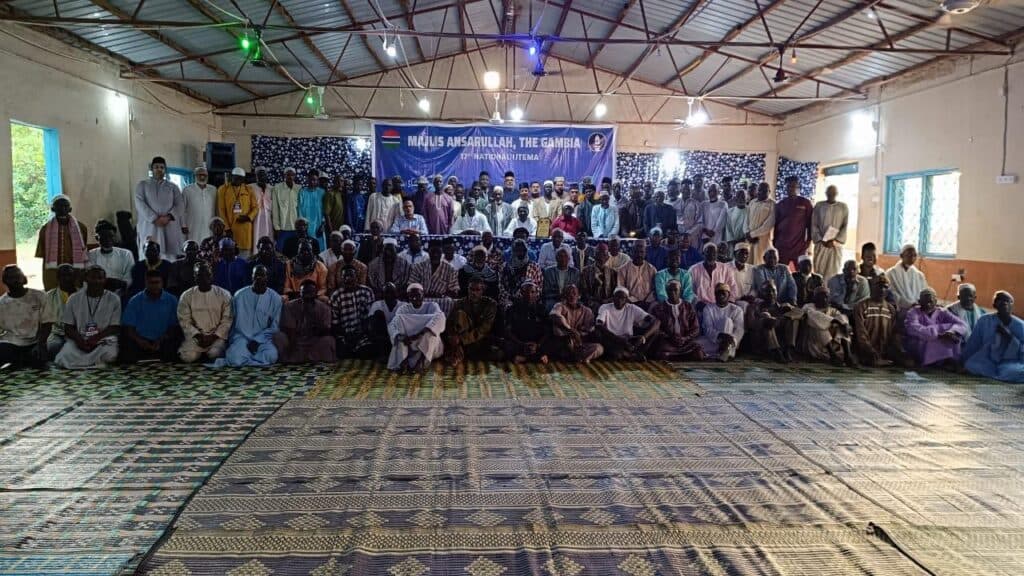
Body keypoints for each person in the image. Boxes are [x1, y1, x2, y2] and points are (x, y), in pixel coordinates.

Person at [54, 265, 120, 369]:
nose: (96, 281)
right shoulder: (74, 298)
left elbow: (114, 327)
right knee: (63, 357)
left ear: (105, 280)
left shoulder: (114, 299)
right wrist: (80, 341)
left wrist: (96, 339)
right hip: (81, 339)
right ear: (86, 279)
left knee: (110, 355)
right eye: (93, 277)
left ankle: (86, 364)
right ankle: (94, 365)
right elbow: (68, 327)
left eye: (100, 278)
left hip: (103, 339)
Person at [219, 265, 282, 367]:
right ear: (252, 277)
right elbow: (232, 322)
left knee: (272, 355)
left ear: (267, 277)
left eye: (262, 275)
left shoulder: (275, 298)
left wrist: (258, 340)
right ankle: (253, 359)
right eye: (256, 275)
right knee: (234, 357)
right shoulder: (239, 295)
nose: (259, 277)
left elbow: (275, 326)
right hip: (242, 337)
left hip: (263, 340)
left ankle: (246, 359)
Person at [120, 270, 181, 364]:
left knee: (174, 348)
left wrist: (161, 340)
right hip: (140, 340)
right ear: (146, 283)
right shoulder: (135, 300)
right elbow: (129, 327)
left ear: (162, 283)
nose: (154, 286)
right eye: (151, 283)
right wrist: (140, 340)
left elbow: (173, 326)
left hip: (163, 340)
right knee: (126, 352)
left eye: (157, 282)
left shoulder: (172, 300)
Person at [177, 261, 232, 363]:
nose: (204, 278)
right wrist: (198, 336)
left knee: (215, 353)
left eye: (207, 275)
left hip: (216, 337)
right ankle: (200, 354)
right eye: (200, 275)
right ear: (194, 277)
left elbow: (227, 320)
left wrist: (214, 336)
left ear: (212, 276)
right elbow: (184, 320)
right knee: (187, 356)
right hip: (196, 337)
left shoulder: (224, 294)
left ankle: (207, 354)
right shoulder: (186, 296)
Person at [963, 291, 1024, 383]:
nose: (1004, 303)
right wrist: (964, 359)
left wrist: (1009, 337)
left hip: (1011, 361)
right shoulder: (984, 320)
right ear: (994, 304)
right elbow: (974, 342)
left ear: (1012, 306)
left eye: (1008, 301)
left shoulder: (1020, 325)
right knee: (971, 365)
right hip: (987, 359)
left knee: (1013, 371)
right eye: (1000, 300)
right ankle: (997, 374)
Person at [0, 265, 54, 369]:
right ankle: (19, 361)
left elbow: (47, 323)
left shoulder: (40, 296)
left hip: (35, 343)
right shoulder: (2, 303)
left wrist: (41, 343)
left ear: (24, 279)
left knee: (39, 359)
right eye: (11, 277)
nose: (15, 280)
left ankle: (19, 362)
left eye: (17, 276)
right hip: (10, 343)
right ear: (5, 281)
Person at [387, 283, 446, 373]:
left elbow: (440, 318)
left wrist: (420, 333)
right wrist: (399, 336)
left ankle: (421, 362)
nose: (414, 298)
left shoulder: (432, 306)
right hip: (409, 343)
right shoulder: (403, 309)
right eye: (411, 296)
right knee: (398, 322)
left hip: (429, 345)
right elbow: (393, 324)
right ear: (408, 297)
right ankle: (403, 361)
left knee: (430, 333)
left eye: (418, 295)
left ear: (423, 295)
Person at [273, 279, 335, 364]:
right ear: (300, 293)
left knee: (329, 340)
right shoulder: (289, 307)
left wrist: (313, 317)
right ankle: (295, 358)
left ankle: (303, 358)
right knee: (278, 336)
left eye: (311, 293)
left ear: (316, 293)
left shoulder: (324, 308)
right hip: (295, 342)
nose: (308, 296)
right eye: (305, 293)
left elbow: (325, 330)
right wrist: (294, 345)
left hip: (314, 342)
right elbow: (289, 330)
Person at [904, 288, 968, 369]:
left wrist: (951, 332)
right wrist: (939, 334)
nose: (928, 305)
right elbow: (913, 328)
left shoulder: (942, 312)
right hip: (919, 345)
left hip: (939, 338)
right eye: (925, 302)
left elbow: (962, 324)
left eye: (930, 302)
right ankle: (937, 362)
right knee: (935, 333)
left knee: (955, 333)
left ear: (936, 301)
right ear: (919, 302)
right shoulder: (913, 312)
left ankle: (948, 360)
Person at [135, 156, 185, 259]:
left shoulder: (173, 187)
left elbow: (180, 205)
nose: (159, 170)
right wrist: (154, 218)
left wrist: (169, 217)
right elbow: (140, 204)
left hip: (169, 226)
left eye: (162, 167)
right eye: (156, 167)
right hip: (150, 226)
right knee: (149, 254)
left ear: (165, 170)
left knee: (169, 258)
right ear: (151, 169)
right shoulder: (142, 185)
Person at [36, 195, 89, 290]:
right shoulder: (45, 229)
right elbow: (42, 252)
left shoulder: (81, 228)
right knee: (53, 293)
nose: (62, 209)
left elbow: (83, 250)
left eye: (65, 206)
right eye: (59, 206)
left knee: (75, 291)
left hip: (75, 268)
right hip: (53, 270)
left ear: (70, 209)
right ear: (53, 209)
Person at [596, 286, 660, 361]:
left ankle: (637, 353)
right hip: (612, 339)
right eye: (617, 297)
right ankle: (631, 355)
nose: (619, 300)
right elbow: (599, 325)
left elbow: (656, 321)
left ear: (627, 300)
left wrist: (644, 337)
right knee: (616, 353)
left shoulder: (631, 308)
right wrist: (619, 340)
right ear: (613, 298)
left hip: (628, 339)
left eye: (623, 298)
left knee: (655, 330)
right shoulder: (605, 307)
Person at [745, 280, 800, 363]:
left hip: (780, 340)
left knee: (792, 318)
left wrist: (785, 316)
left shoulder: (782, 306)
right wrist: (764, 321)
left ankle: (788, 349)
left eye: (773, 290)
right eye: (767, 291)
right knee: (766, 318)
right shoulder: (753, 307)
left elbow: (801, 313)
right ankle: (775, 351)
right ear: (761, 293)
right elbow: (751, 324)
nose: (771, 293)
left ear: (777, 292)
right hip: (762, 340)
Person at [649, 279, 704, 361]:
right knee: (661, 352)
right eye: (670, 290)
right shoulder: (659, 308)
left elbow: (696, 328)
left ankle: (674, 357)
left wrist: (685, 338)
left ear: (680, 291)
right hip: (668, 342)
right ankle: (681, 357)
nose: (673, 292)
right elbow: (656, 329)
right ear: (666, 291)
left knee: (699, 354)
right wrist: (670, 338)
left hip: (685, 341)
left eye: (675, 290)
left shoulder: (688, 307)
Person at [854, 274, 901, 368]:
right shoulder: (861, 306)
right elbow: (861, 333)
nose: (882, 290)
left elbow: (894, 333)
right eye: (879, 286)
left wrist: (898, 348)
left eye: (885, 287)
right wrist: (870, 349)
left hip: (885, 351)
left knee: (909, 362)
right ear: (872, 287)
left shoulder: (890, 309)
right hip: (867, 350)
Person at [800, 286, 855, 366]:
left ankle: (848, 355)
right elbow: (813, 315)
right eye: (821, 296)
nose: (824, 299)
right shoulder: (808, 306)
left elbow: (841, 317)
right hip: (814, 344)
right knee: (820, 325)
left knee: (842, 320)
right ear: (815, 298)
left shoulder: (832, 310)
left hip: (833, 344)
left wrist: (844, 324)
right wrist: (835, 321)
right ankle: (832, 355)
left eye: (826, 297)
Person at [548, 285, 603, 364]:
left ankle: (577, 357)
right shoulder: (559, 306)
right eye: (568, 293)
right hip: (565, 341)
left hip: (580, 343)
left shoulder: (586, 311)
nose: (571, 296)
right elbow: (554, 315)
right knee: (560, 333)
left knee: (599, 348)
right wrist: (571, 330)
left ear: (579, 296)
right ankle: (576, 357)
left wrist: (580, 334)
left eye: (574, 293)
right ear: (565, 296)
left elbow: (590, 328)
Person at [330, 266, 376, 359]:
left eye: (351, 275)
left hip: (362, 333)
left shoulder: (367, 292)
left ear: (357, 277)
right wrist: (346, 336)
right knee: (342, 353)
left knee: (367, 351)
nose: (348, 279)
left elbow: (370, 318)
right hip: (344, 335)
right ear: (341, 279)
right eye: (345, 276)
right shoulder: (336, 296)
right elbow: (335, 323)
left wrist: (360, 333)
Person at [696, 283, 745, 362]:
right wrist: (720, 335)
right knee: (695, 344)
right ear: (715, 295)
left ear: (729, 295)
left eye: (723, 293)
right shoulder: (708, 308)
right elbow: (708, 329)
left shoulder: (737, 309)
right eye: (718, 293)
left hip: (730, 342)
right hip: (714, 339)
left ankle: (723, 351)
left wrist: (731, 339)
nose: (721, 295)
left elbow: (739, 330)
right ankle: (722, 353)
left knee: (727, 321)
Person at [409, 239, 460, 313]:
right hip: (421, 299)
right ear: (428, 251)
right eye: (433, 252)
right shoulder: (418, 267)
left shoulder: (450, 269)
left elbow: (454, 292)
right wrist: (422, 293)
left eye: (438, 252)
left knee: (450, 302)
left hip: (441, 301)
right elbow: (411, 287)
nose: (435, 255)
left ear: (442, 252)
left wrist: (441, 294)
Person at [505, 282, 550, 364]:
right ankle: (536, 358)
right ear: (521, 293)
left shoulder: (542, 309)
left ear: (537, 293)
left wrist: (538, 344)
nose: (529, 295)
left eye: (532, 292)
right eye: (526, 292)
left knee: (554, 343)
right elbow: (508, 331)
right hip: (519, 343)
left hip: (537, 343)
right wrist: (522, 344)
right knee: (506, 346)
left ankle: (524, 358)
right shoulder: (512, 309)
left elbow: (547, 331)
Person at [773, 176, 813, 267]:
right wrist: (775, 243)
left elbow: (810, 225)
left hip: (798, 245)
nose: (791, 189)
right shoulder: (780, 204)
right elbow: (776, 225)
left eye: (793, 186)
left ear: (798, 188)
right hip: (782, 245)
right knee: (781, 270)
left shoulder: (805, 203)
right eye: (788, 186)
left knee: (800, 271)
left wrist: (808, 242)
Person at [218, 167, 258, 256]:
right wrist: (227, 228)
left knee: (245, 256)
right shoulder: (223, 189)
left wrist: (248, 217)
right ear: (232, 177)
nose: (238, 180)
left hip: (245, 228)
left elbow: (255, 207)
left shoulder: (248, 189)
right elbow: (221, 210)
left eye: (240, 178)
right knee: (229, 253)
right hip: (230, 229)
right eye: (236, 177)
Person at [811, 184, 849, 278]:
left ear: (837, 193)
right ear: (826, 193)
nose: (831, 195)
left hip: (835, 246)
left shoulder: (843, 207)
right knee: (819, 272)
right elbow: (814, 224)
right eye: (829, 193)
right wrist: (820, 239)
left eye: (833, 193)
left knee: (833, 273)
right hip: (821, 244)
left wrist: (835, 241)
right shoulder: (819, 206)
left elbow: (845, 226)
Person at [89, 220, 134, 294]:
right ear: (97, 238)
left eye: (111, 236)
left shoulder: (126, 254)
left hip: (122, 293)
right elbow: (91, 277)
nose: (107, 239)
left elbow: (129, 276)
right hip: (98, 293)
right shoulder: (91, 255)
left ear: (115, 236)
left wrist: (121, 284)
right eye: (103, 237)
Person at [44, 265, 77, 359]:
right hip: (57, 333)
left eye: (69, 275)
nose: (67, 278)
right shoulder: (49, 296)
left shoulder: (83, 294)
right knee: (53, 347)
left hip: (78, 332)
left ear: (74, 277)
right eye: (63, 275)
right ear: (58, 278)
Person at [500, 239, 543, 309]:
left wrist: (529, 297)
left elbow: (539, 287)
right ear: (513, 251)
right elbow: (501, 286)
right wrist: (510, 298)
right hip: (509, 299)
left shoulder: (534, 266)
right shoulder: (505, 267)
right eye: (517, 250)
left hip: (529, 299)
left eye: (523, 250)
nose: (520, 253)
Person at [886, 244, 929, 311]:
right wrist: (910, 304)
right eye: (909, 255)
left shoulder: (919, 275)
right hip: (900, 309)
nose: (912, 258)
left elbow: (925, 292)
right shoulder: (891, 273)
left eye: (915, 255)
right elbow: (892, 294)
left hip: (918, 308)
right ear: (901, 256)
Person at [368, 282, 403, 360]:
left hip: (398, 336)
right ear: (382, 294)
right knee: (378, 313)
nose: (389, 295)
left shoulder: (403, 305)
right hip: (382, 337)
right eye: (387, 292)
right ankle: (382, 353)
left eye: (392, 292)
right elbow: (371, 324)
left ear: (397, 293)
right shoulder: (377, 304)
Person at [181, 165, 216, 241]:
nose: (202, 177)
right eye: (200, 175)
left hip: (209, 226)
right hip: (192, 226)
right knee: (193, 245)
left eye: (205, 175)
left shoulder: (213, 190)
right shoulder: (187, 190)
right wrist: (183, 225)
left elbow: (216, 208)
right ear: (195, 176)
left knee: (208, 244)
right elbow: (181, 209)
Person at [746, 183, 775, 266]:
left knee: (759, 263)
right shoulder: (752, 202)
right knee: (748, 263)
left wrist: (753, 234)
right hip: (749, 239)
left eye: (764, 191)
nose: (761, 192)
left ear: (769, 191)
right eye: (759, 190)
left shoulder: (772, 204)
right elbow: (746, 219)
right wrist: (747, 232)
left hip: (762, 240)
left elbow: (768, 225)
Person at [272, 167, 300, 250]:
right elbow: (275, 209)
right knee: (281, 251)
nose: (290, 177)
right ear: (284, 175)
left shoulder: (299, 189)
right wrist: (276, 227)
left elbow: (301, 209)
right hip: (282, 228)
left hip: (296, 227)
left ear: (295, 176)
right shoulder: (277, 188)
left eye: (292, 175)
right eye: (288, 175)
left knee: (294, 250)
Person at [251, 168, 273, 248]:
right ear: (256, 176)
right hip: (255, 218)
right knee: (256, 237)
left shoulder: (271, 188)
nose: (261, 177)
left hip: (268, 218)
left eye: (263, 175)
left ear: (266, 176)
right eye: (259, 175)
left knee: (268, 236)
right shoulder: (250, 187)